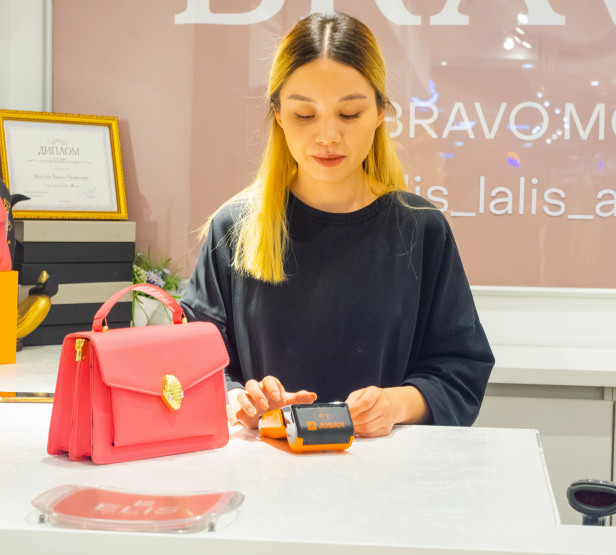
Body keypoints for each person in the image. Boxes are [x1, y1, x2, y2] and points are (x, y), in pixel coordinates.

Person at [180, 11, 494, 437]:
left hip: (383, 473)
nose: (327, 136)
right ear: (277, 113)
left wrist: (394, 404)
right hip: (265, 469)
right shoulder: (233, 228)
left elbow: (460, 370)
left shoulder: (421, 230)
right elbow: (193, 366)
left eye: (349, 114)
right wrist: (240, 402)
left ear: (380, 111)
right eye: (304, 115)